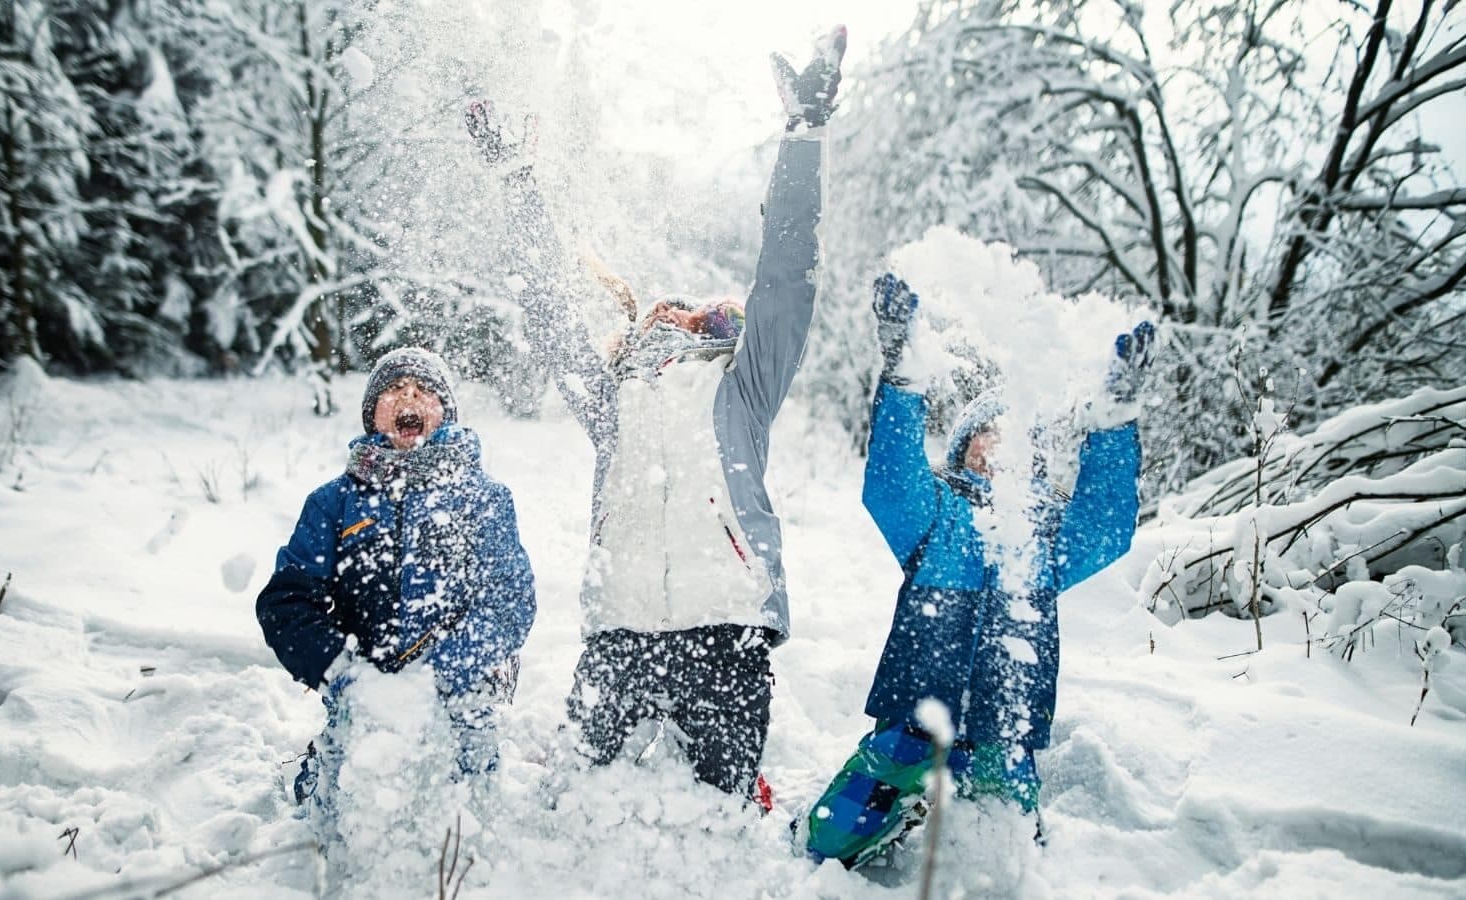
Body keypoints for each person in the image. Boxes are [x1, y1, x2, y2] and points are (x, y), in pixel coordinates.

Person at [463, 27, 848, 801]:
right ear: (639, 328)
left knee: (718, 824)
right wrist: (514, 178)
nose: (675, 311)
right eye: (660, 308)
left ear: (717, 325)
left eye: (693, 308)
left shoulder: (743, 387)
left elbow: (785, 277)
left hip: (726, 628)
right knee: (568, 809)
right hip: (619, 634)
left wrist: (803, 137)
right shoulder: (612, 401)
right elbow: (545, 309)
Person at [802, 274, 1154, 866]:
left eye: (1014, 436)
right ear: (965, 445)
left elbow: (1106, 526)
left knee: (1004, 861)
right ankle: (883, 822)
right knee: (830, 839)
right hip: (917, 717)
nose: (999, 444)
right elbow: (890, 485)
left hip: (1004, 727)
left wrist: (1114, 421)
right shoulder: (937, 511)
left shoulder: (1045, 533)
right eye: (987, 432)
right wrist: (903, 381)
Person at [256, 347, 537, 829]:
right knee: (336, 819)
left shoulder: (485, 498)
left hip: (459, 695)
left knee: (465, 824)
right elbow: (287, 602)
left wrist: (444, 670)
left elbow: (510, 600)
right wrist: (345, 675)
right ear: (372, 415)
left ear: (444, 413)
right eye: (393, 389)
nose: (409, 396)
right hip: (362, 697)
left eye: (424, 391)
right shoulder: (334, 502)